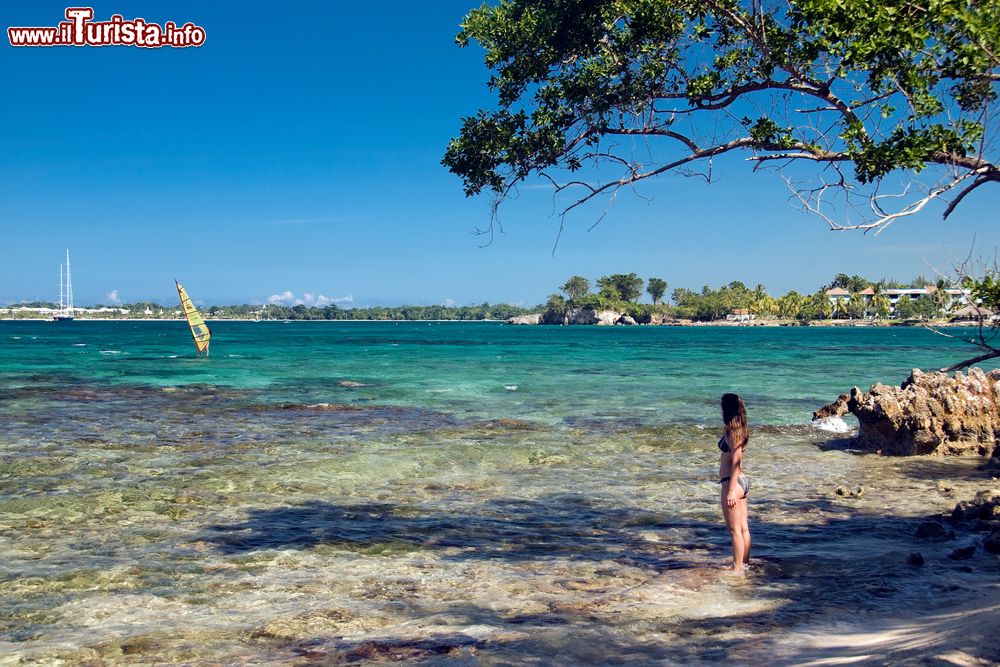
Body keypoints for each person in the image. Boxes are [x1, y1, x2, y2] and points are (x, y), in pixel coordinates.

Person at [718, 393, 751, 572]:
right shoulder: (739, 428)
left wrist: (731, 490)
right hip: (742, 482)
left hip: (732, 482)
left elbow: (736, 461)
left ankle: (737, 568)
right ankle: (745, 564)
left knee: (735, 530)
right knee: (743, 528)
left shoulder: (734, 432)